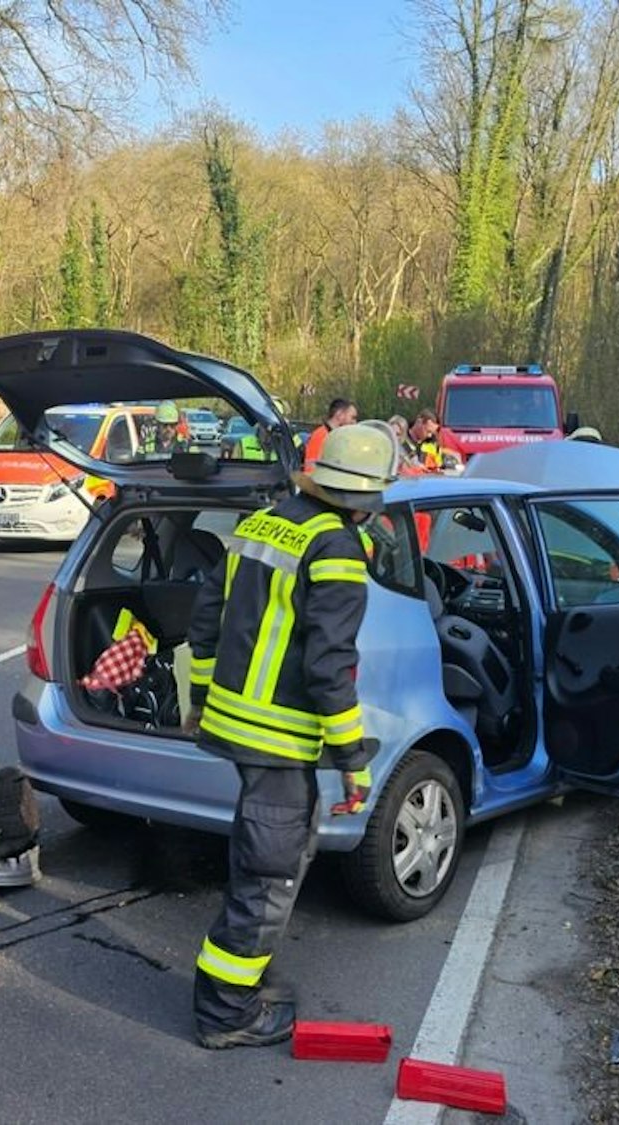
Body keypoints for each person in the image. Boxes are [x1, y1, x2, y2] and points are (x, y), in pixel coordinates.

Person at [183, 421, 400, 1050]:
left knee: (266, 860)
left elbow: (205, 619)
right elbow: (330, 667)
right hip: (278, 740)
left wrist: (199, 698)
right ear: (367, 499)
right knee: (268, 876)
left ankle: (241, 984)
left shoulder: (261, 523)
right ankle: (226, 1014)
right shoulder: (337, 549)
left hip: (234, 726)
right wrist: (353, 759)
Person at [299, 398, 357, 466]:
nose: (355, 423)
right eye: (352, 418)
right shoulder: (320, 436)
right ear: (339, 415)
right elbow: (310, 468)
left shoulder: (335, 437)